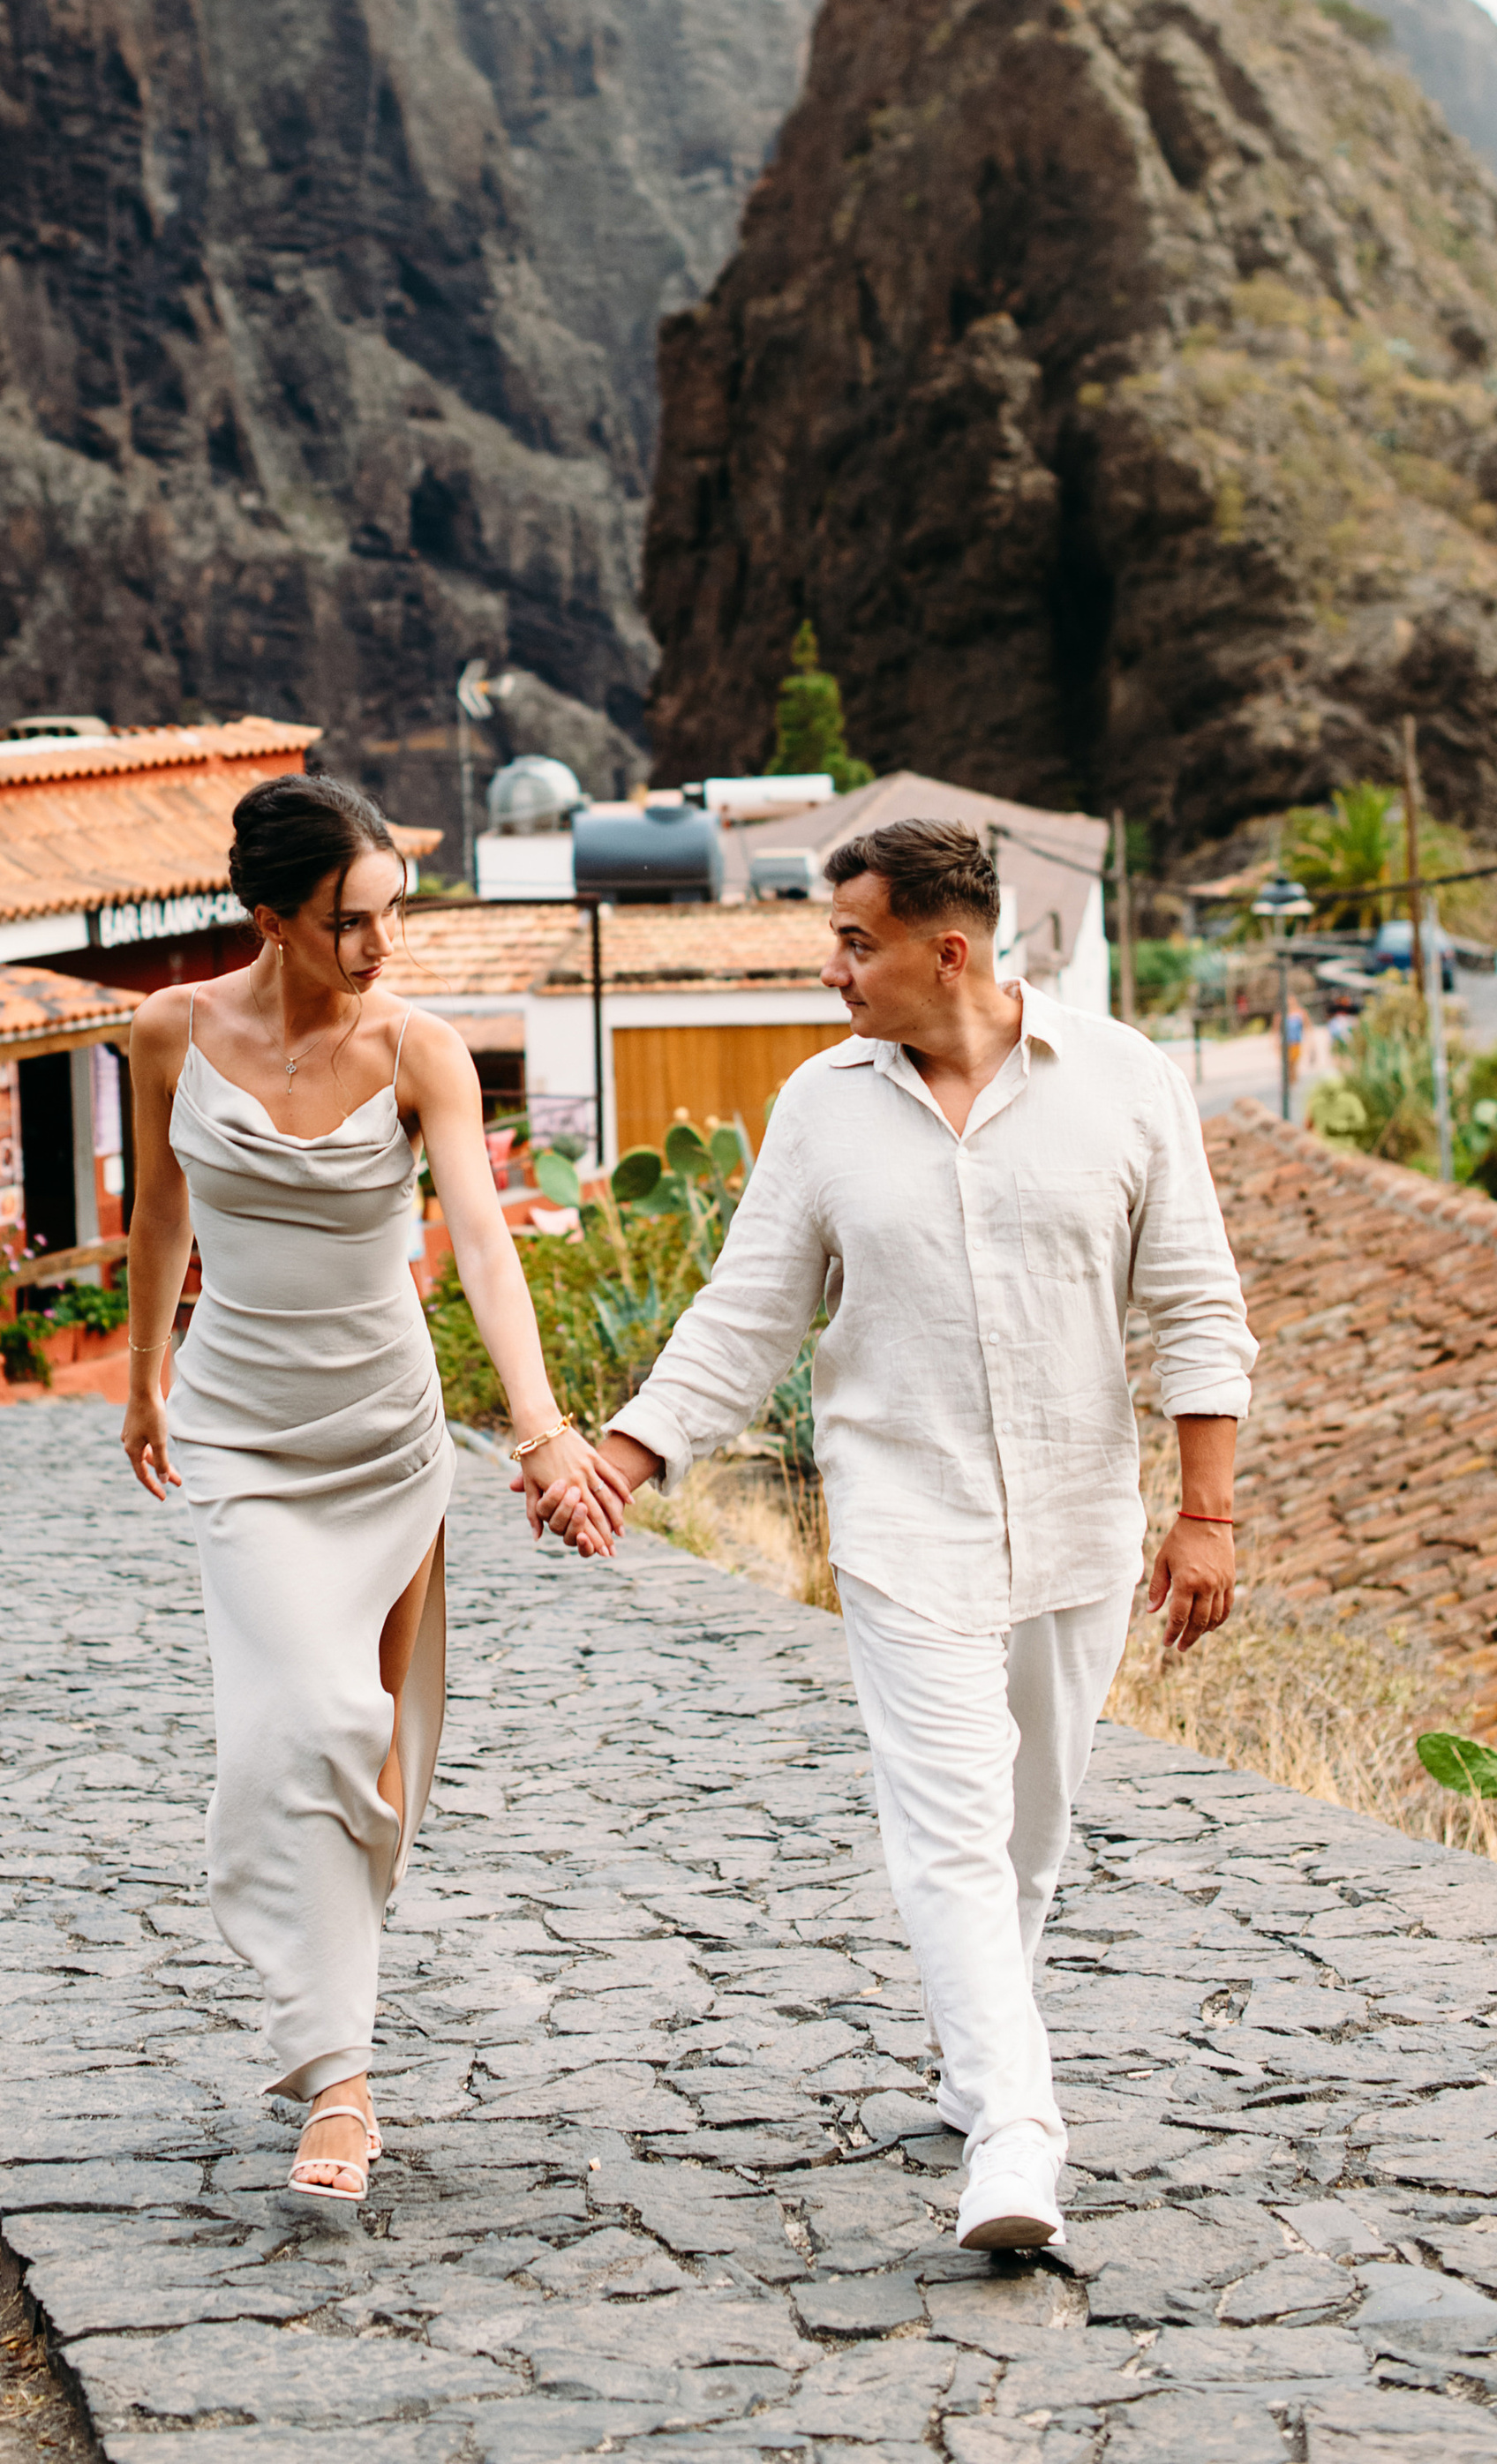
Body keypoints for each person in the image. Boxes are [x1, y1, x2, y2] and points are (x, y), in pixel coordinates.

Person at [544, 815, 1253, 2257]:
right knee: (945, 1834)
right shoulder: (822, 1107)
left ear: (951, 949)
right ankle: (1015, 2130)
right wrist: (623, 1456)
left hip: (1074, 1523)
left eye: (855, 942)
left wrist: (1207, 1514)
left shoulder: (1125, 1084)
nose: (834, 969)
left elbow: (1195, 1305)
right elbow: (746, 1316)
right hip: (900, 1522)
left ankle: (970, 2060)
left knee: (1030, 1835)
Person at [122, 773, 624, 2215]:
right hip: (239, 1436)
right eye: (351, 923)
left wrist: (536, 1430)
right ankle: (336, 2078)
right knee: (310, 1723)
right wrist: (144, 1375)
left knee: (360, 1758)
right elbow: (162, 1213)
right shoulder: (172, 1032)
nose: (380, 947)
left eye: (391, 913)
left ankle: (332, 2024)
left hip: (384, 1437)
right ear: (267, 919)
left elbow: (480, 1235)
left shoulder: (421, 1050)